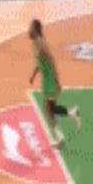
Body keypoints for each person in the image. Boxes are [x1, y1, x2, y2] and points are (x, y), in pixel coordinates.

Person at [28, 19, 81, 147]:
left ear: (35, 29)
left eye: (30, 27)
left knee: (49, 108)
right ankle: (69, 119)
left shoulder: (41, 43)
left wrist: (57, 80)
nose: (28, 30)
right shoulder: (35, 43)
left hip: (50, 79)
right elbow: (40, 63)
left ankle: (65, 128)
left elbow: (51, 61)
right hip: (46, 80)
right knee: (50, 109)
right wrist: (33, 75)